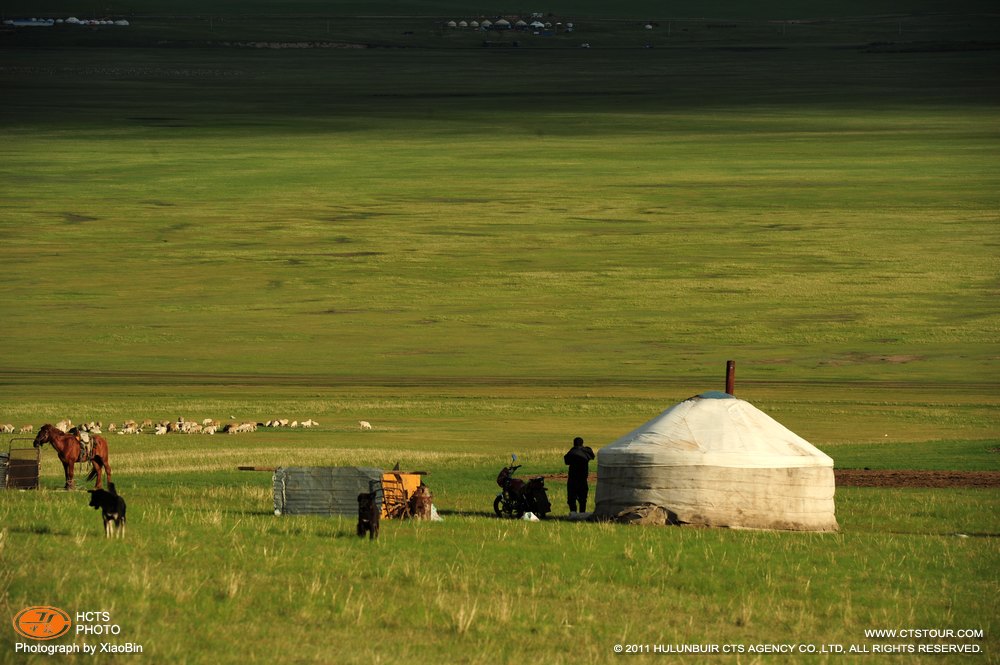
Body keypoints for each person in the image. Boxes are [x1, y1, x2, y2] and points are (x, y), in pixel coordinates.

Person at [563, 436, 595, 514]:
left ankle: (573, 513)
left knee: (571, 498)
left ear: (574, 444)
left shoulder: (572, 452)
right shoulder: (587, 451)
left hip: (573, 479)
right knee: (583, 498)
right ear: (582, 443)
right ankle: (582, 513)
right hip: (583, 479)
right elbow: (592, 456)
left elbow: (566, 461)